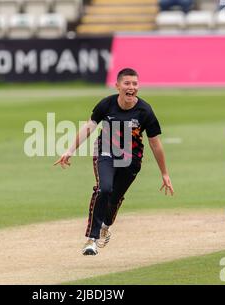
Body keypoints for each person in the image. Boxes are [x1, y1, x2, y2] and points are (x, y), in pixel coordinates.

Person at [54, 68, 174, 255]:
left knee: (115, 198)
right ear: (118, 86)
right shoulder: (107, 104)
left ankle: (106, 225)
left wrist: (164, 173)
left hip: (131, 159)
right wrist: (70, 151)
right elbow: (88, 127)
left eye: (134, 84)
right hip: (105, 152)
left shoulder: (145, 111)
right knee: (104, 189)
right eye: (127, 83)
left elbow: (155, 143)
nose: (131, 87)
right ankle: (91, 239)